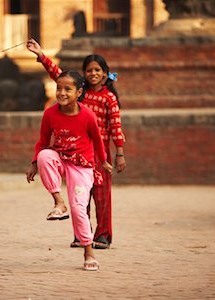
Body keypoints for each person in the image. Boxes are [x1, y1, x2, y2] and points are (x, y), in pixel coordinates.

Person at [27, 38, 126, 249]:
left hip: (100, 152)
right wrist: (41, 55)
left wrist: (119, 154)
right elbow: (59, 75)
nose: (93, 74)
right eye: (88, 70)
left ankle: (103, 236)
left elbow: (116, 126)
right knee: (78, 195)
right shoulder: (80, 94)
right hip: (77, 150)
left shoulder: (109, 98)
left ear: (105, 73)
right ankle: (81, 235)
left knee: (101, 196)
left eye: (97, 70)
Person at [26, 70, 113, 271]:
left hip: (82, 166)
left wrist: (104, 161)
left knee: (78, 209)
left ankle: (88, 252)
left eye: (67, 89)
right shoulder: (50, 113)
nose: (62, 93)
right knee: (45, 156)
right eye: (58, 88)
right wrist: (33, 163)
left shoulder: (88, 116)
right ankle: (58, 201)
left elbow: (99, 142)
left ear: (79, 92)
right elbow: (42, 141)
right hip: (61, 158)